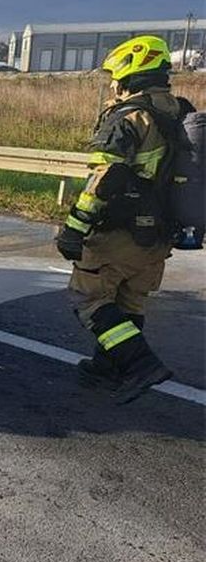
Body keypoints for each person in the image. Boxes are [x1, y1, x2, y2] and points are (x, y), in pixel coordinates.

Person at [55, 36, 195, 404]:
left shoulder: (129, 117)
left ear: (130, 75)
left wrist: (75, 226)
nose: (113, 85)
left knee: (89, 298)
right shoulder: (179, 112)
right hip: (161, 234)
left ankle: (140, 365)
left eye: (115, 77)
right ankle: (107, 368)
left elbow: (107, 178)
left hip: (122, 231)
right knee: (130, 301)